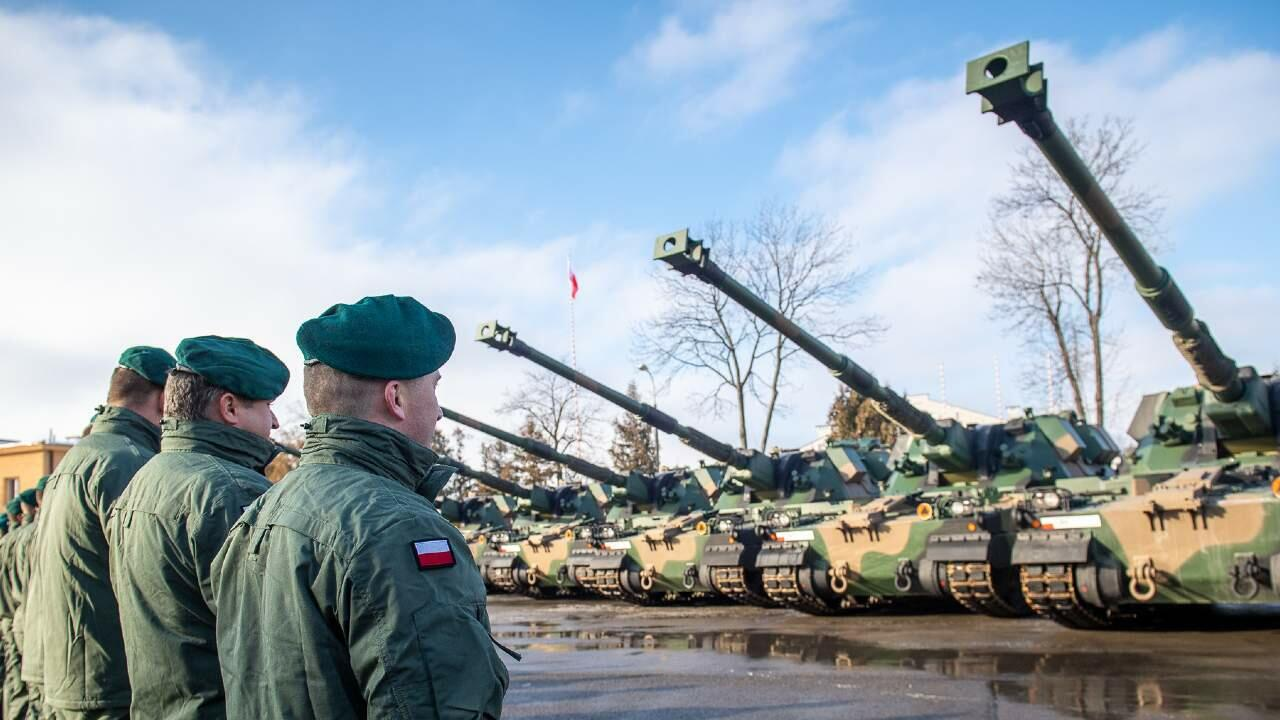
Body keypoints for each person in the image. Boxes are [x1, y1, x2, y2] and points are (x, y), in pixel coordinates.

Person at [213, 295, 510, 719]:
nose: (440, 411)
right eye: (434, 387)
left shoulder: (260, 513)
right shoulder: (399, 528)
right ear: (396, 398)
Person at [107, 336, 288, 720]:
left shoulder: (144, 479)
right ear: (229, 408)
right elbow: (279, 653)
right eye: (268, 406)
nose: (274, 422)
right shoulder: (233, 493)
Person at [32, 346, 174, 720]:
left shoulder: (82, 456)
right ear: (163, 400)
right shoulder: (127, 461)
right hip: (109, 682)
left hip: (75, 676)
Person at [0, 499, 27, 720]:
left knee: (13, 682)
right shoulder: (28, 537)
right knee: (20, 690)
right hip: (21, 618)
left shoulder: (7, 541)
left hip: (10, 618)